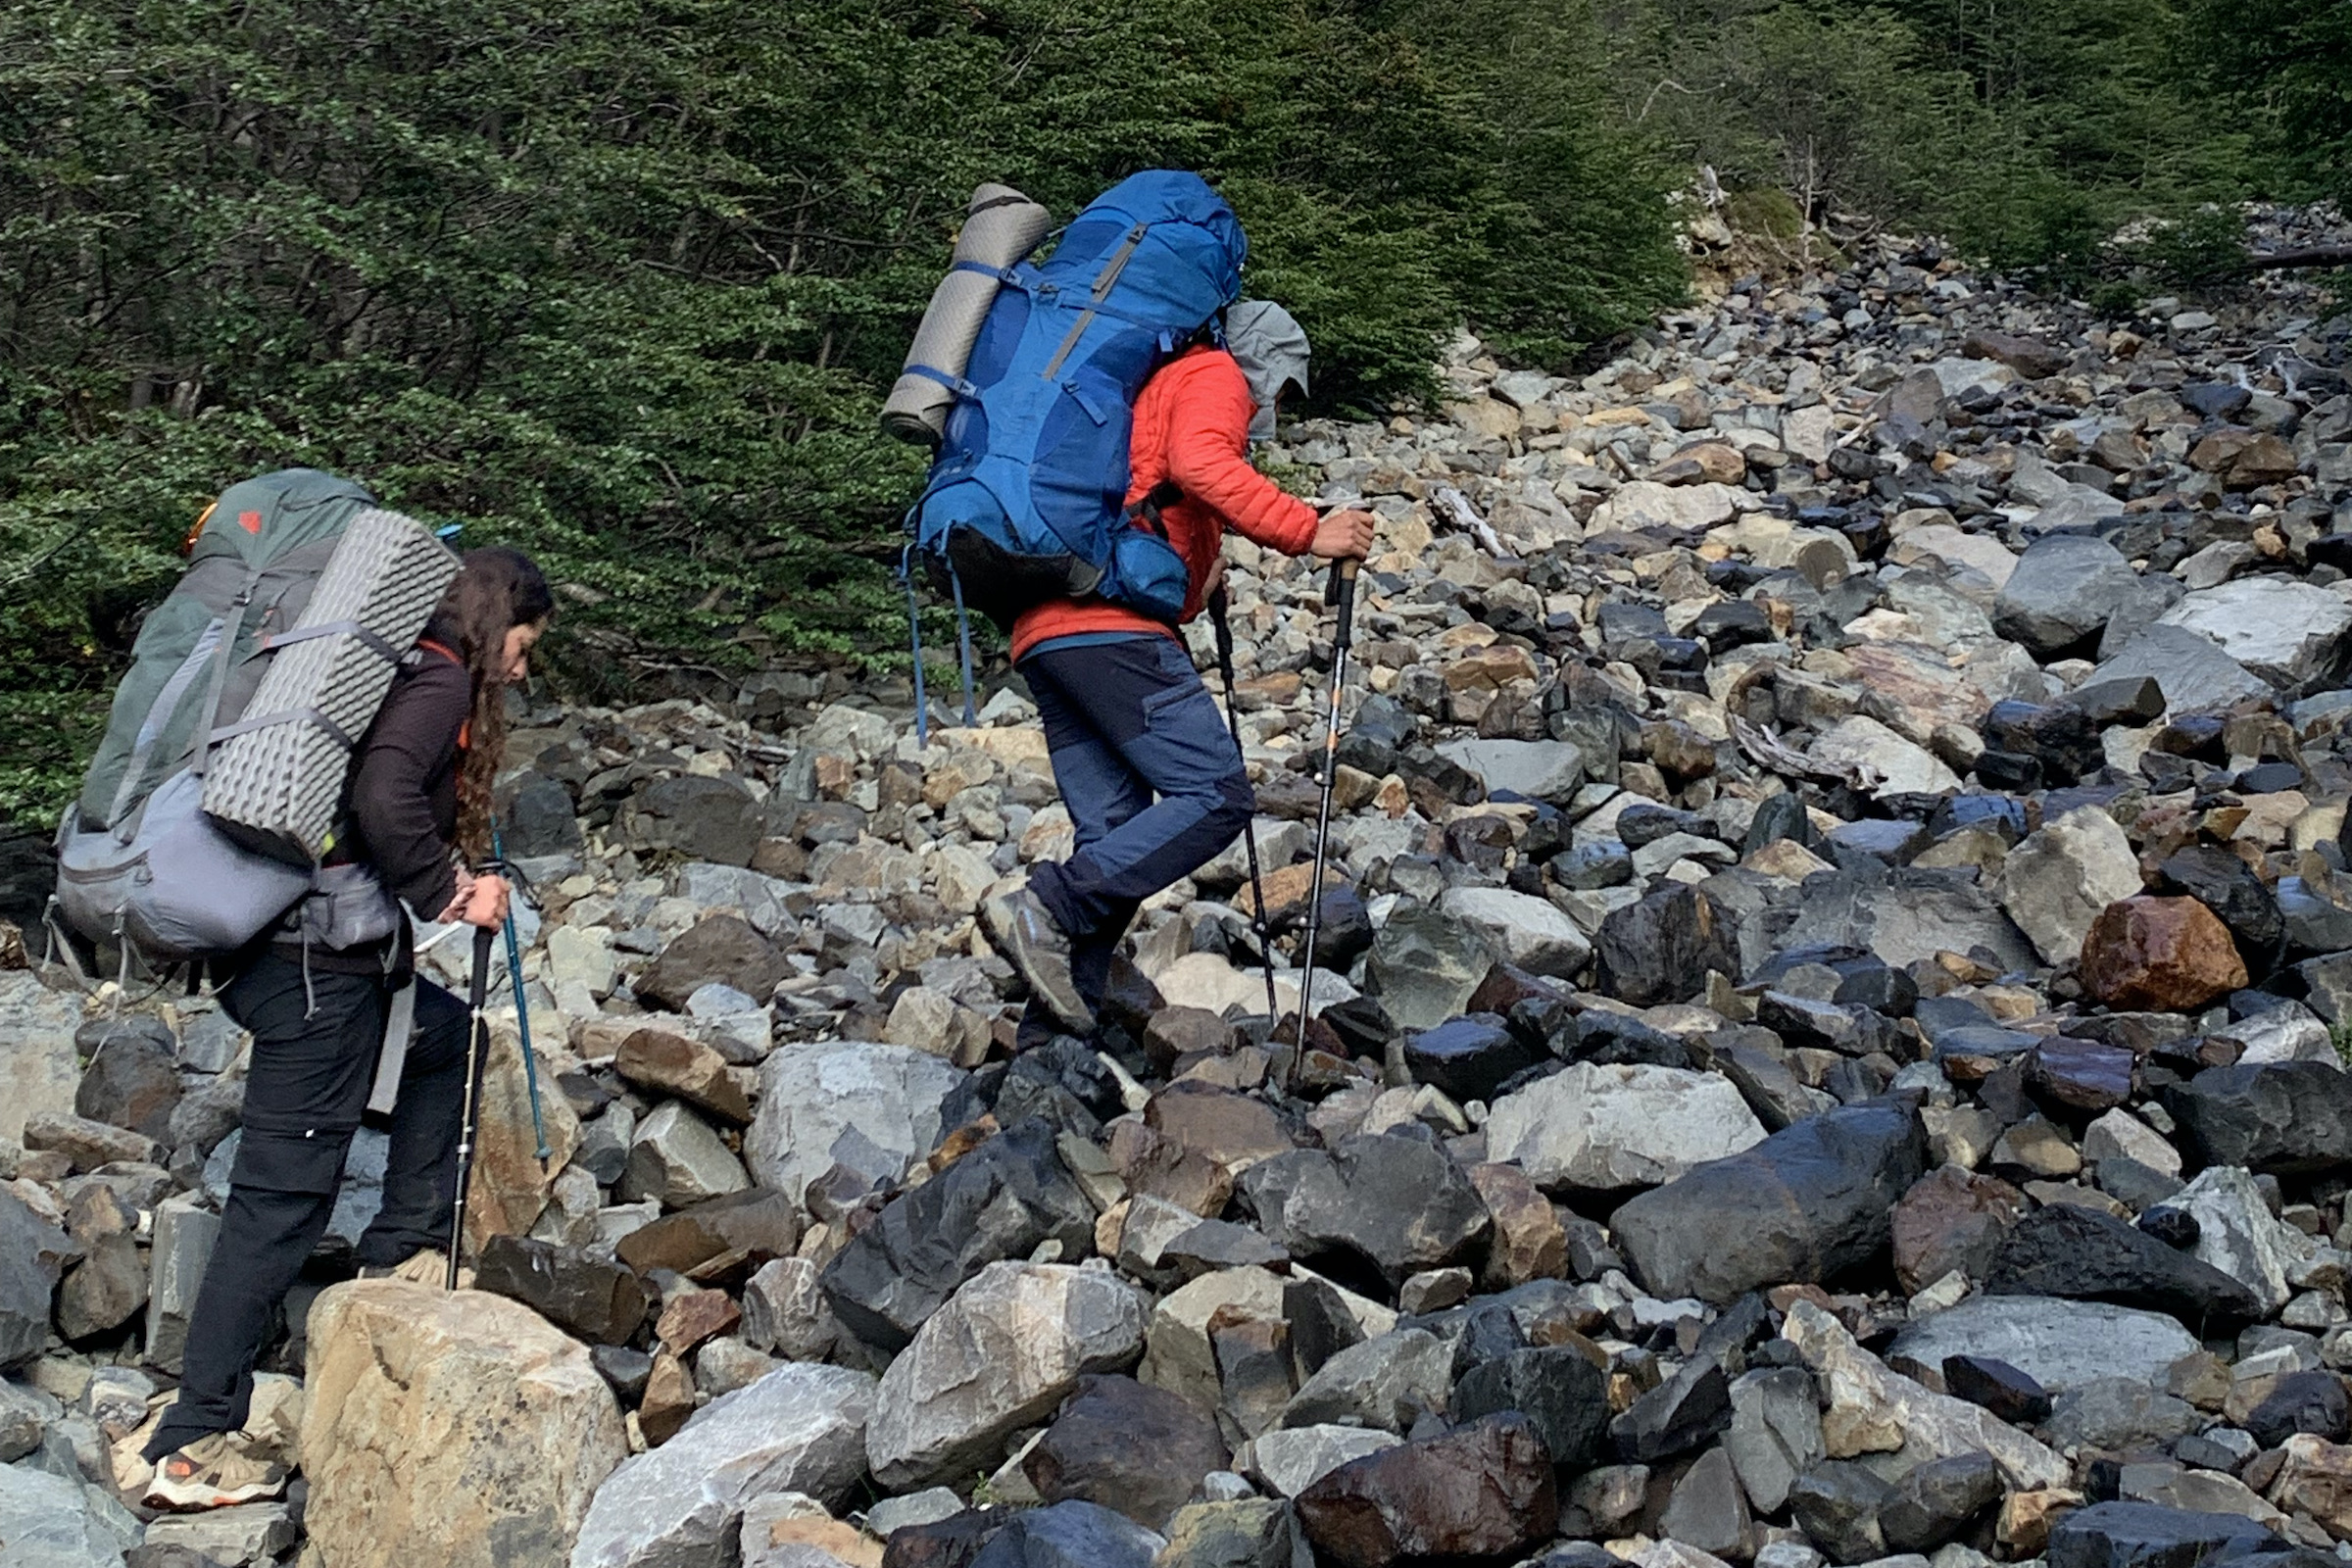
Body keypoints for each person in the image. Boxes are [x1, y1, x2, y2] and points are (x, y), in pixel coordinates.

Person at [141, 547, 554, 1511]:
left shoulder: (399, 662)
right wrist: (456, 891)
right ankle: (190, 1437)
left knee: (448, 1038)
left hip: (299, 954)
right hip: (317, 974)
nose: (526, 669)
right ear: (499, 622)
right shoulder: (442, 678)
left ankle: (397, 1249)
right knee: (278, 1203)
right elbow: (380, 798)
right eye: (528, 645)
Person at [983, 302, 1375, 1041]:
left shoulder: (1142, 397)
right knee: (1218, 793)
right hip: (1109, 636)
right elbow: (1200, 462)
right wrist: (1309, 530)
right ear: (1264, 360)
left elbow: (1156, 517)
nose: (1273, 409)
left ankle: (1052, 1048)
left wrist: (1202, 575)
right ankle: (1048, 906)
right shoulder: (1213, 372)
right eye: (1282, 390)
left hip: (1049, 635)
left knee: (1117, 835)